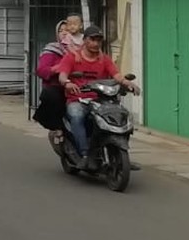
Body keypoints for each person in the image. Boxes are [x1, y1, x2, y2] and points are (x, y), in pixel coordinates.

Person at [55, 25, 136, 160]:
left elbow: (116, 75)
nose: (95, 43)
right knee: (76, 116)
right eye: (92, 40)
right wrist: (67, 83)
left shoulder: (104, 59)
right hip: (78, 99)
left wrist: (127, 83)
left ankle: (119, 153)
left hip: (100, 100)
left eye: (98, 40)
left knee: (122, 117)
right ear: (85, 40)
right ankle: (84, 153)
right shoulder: (72, 57)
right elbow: (62, 75)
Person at [33, 15, 83, 140]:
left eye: (67, 30)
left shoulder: (83, 49)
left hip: (81, 86)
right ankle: (58, 127)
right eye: (60, 31)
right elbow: (41, 70)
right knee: (52, 96)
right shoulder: (53, 49)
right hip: (57, 87)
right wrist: (60, 68)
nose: (64, 33)